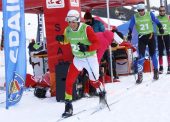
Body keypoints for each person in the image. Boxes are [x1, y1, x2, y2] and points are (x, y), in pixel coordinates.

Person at [56, 9, 106, 118]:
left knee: (94, 82)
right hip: (78, 59)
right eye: (69, 22)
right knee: (69, 81)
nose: (71, 24)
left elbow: (97, 43)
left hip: (90, 58)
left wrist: (88, 47)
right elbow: (66, 40)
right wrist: (61, 40)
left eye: (73, 22)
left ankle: (102, 92)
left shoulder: (86, 29)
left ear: (78, 21)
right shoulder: (67, 30)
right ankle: (68, 106)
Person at [127, 2, 164, 84]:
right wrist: (129, 34)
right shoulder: (135, 17)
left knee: (153, 54)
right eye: (139, 10)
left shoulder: (150, 14)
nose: (141, 12)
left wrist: (160, 27)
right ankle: (140, 75)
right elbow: (130, 26)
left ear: (144, 9)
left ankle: (156, 72)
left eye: (142, 10)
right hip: (142, 38)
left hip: (150, 36)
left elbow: (157, 21)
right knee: (141, 56)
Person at [156, 6, 170, 74]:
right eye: (160, 11)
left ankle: (169, 66)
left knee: (168, 51)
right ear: (159, 11)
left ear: (165, 11)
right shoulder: (156, 18)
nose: (162, 12)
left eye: (163, 10)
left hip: (167, 36)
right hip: (159, 36)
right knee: (160, 52)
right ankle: (161, 67)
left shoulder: (168, 17)